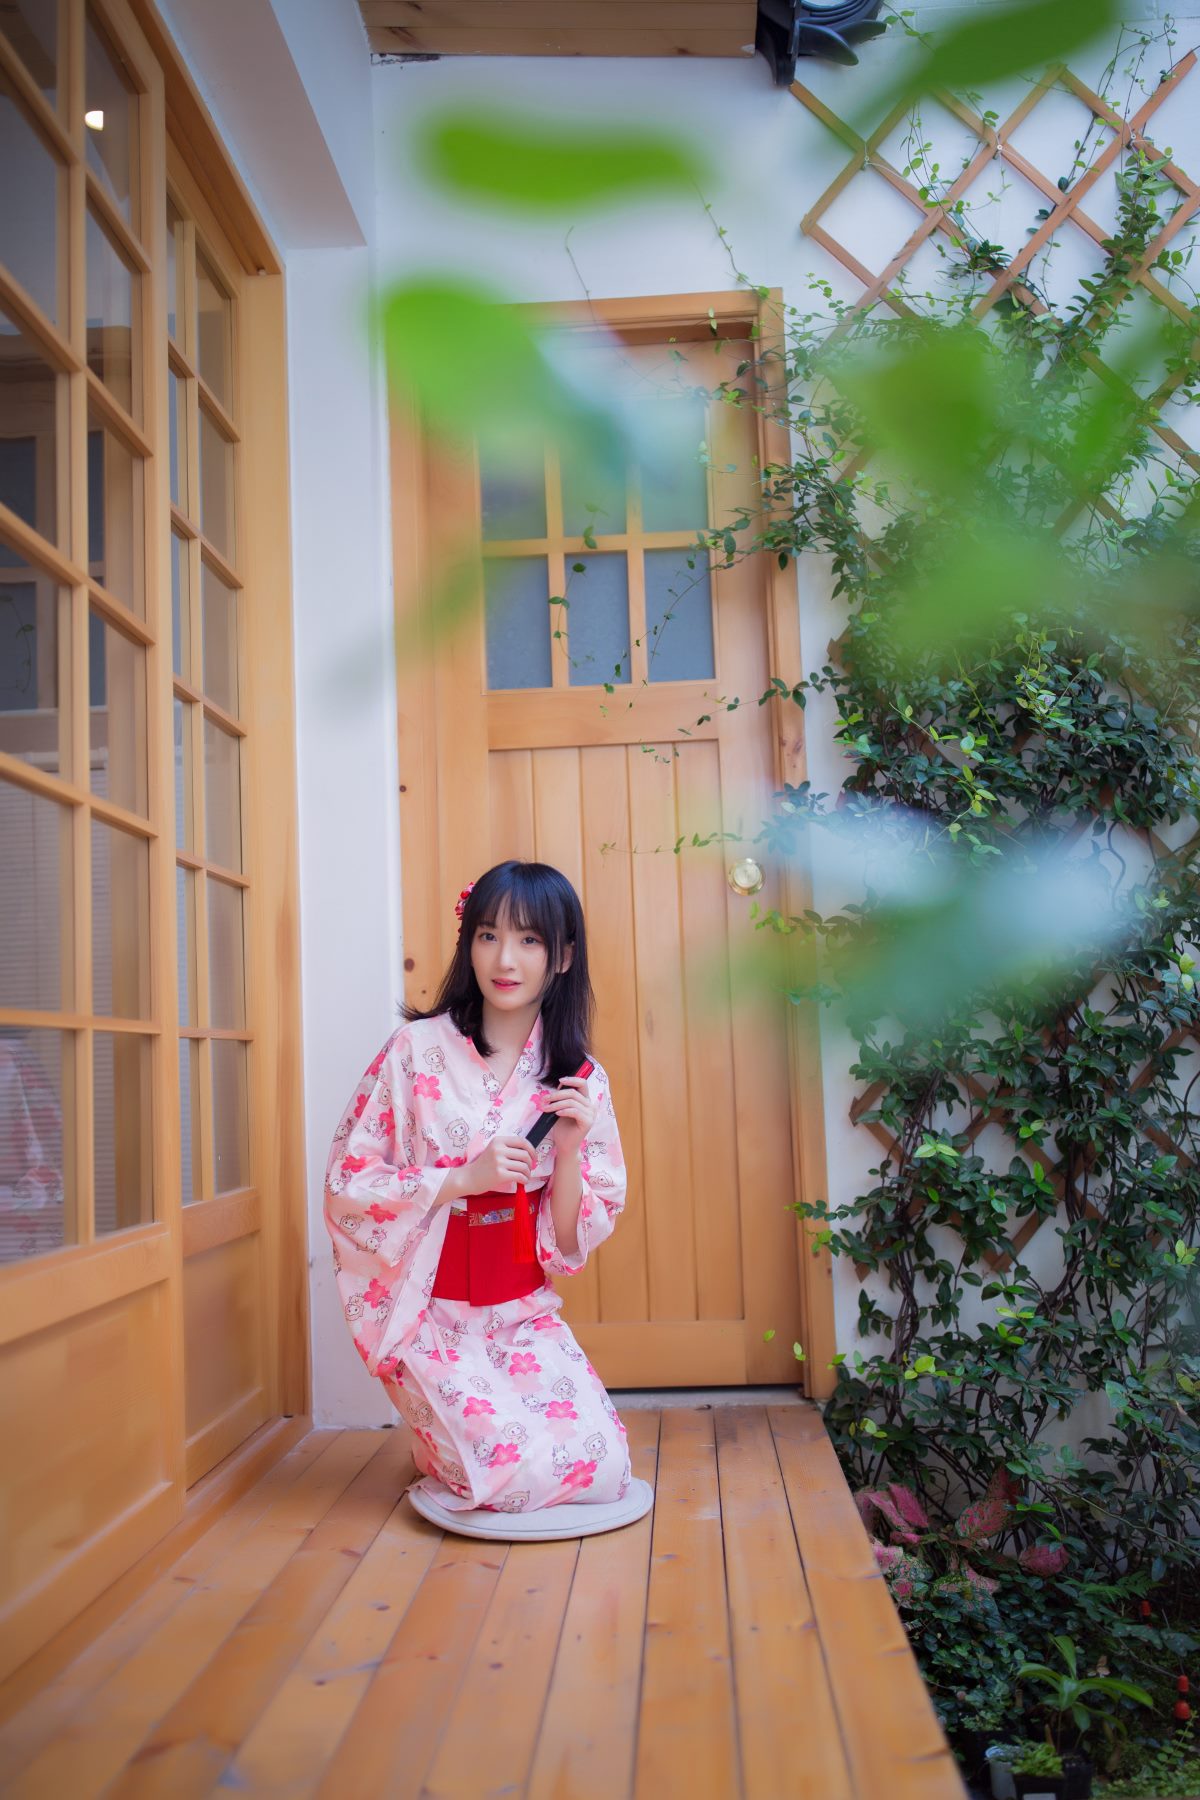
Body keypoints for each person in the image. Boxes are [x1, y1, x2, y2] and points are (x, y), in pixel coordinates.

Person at [324, 860, 648, 1532]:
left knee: (604, 1470)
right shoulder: (413, 1051)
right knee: (511, 1479)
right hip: (431, 1314)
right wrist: (463, 1180)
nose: (505, 959)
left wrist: (567, 1150)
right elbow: (348, 1182)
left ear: (562, 957)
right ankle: (448, 1444)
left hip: (519, 1313)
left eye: (529, 940)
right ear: (468, 942)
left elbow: (566, 1243)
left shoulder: (579, 1079)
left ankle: (456, 1445)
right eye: (489, 935)